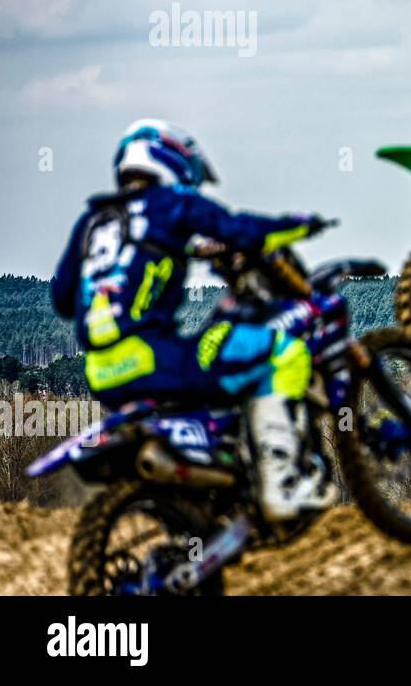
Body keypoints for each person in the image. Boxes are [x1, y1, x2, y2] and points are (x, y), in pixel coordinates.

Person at [50, 119, 335, 522]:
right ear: (170, 160)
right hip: (154, 358)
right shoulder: (172, 202)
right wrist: (295, 225)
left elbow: (62, 299)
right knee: (284, 353)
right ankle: (281, 485)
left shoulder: (93, 221)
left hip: (102, 374)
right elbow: (239, 229)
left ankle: (209, 497)